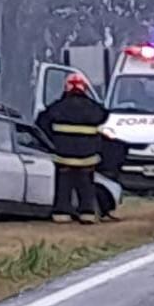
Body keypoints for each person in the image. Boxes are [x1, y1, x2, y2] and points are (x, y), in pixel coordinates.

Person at [36, 73, 109, 224]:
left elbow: (41, 123)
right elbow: (104, 117)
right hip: (87, 158)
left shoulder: (57, 108)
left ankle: (62, 213)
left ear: (66, 88)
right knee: (86, 186)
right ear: (84, 88)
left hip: (63, 156)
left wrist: (52, 143)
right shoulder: (94, 109)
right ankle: (87, 213)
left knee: (63, 186)